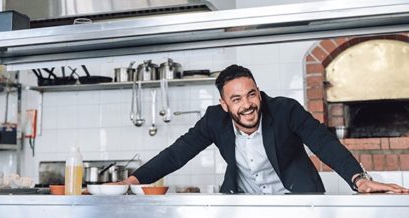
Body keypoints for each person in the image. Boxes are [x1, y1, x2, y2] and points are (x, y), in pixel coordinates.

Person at [119, 64, 408, 194]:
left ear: (259, 92)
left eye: (252, 94)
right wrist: (133, 180)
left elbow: (323, 142)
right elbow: (176, 154)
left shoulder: (284, 110)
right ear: (223, 104)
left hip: (296, 203)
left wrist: (359, 179)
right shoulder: (213, 120)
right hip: (244, 207)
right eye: (236, 99)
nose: (247, 105)